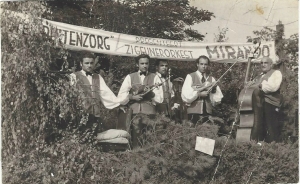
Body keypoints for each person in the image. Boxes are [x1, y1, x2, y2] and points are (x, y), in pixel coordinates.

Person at [70, 52, 120, 143]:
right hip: (81, 113)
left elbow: (106, 93)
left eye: (91, 63)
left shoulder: (98, 77)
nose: (89, 65)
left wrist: (120, 103)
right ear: (81, 64)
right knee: (80, 138)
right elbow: (71, 96)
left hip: (95, 113)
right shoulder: (74, 76)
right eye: (87, 63)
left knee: (92, 138)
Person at [117, 54, 164, 148]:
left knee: (149, 139)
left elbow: (160, 99)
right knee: (136, 139)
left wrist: (150, 93)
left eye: (146, 63)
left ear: (149, 64)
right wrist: (132, 97)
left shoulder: (155, 77)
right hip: (134, 113)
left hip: (150, 113)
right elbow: (120, 96)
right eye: (142, 63)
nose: (144, 65)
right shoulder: (130, 77)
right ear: (137, 65)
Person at [246, 56, 283, 143]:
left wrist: (259, 85)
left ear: (271, 65)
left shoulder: (276, 73)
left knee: (271, 128)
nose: (263, 64)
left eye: (265, 63)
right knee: (259, 126)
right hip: (259, 104)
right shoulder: (259, 76)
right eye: (261, 63)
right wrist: (250, 85)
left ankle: (272, 149)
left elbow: (273, 87)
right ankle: (258, 145)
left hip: (271, 103)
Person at [181, 55, 223, 125]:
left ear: (208, 65)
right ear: (197, 64)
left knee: (205, 133)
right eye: (201, 64)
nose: (203, 66)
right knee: (193, 133)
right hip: (193, 112)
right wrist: (199, 94)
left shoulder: (211, 79)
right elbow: (185, 95)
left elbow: (217, 99)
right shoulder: (190, 76)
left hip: (207, 113)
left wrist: (214, 89)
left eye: (205, 64)